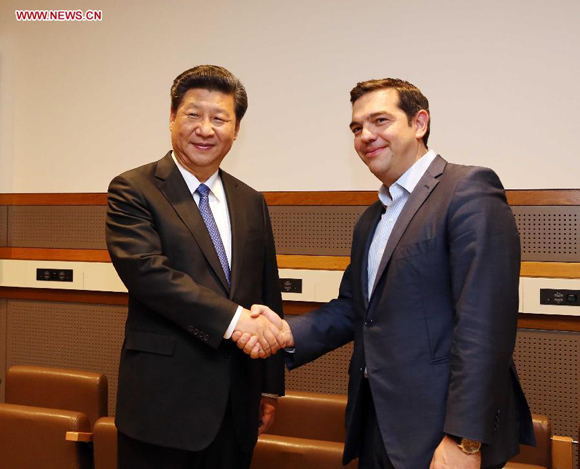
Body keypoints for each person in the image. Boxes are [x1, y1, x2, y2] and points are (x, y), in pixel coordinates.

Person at [234, 78, 535, 468]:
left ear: (419, 123)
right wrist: (286, 334)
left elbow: (485, 326)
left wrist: (465, 440)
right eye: (357, 128)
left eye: (380, 120)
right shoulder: (372, 218)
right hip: (377, 425)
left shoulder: (467, 190)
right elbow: (353, 309)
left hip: (441, 431)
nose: (366, 136)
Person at [106, 65, 284, 469]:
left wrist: (270, 387)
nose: (206, 129)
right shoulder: (134, 189)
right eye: (193, 114)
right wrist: (237, 321)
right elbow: (149, 274)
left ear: (236, 129)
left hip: (237, 403)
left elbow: (266, 289)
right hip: (162, 405)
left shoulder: (250, 200)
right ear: (172, 118)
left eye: (219, 118)